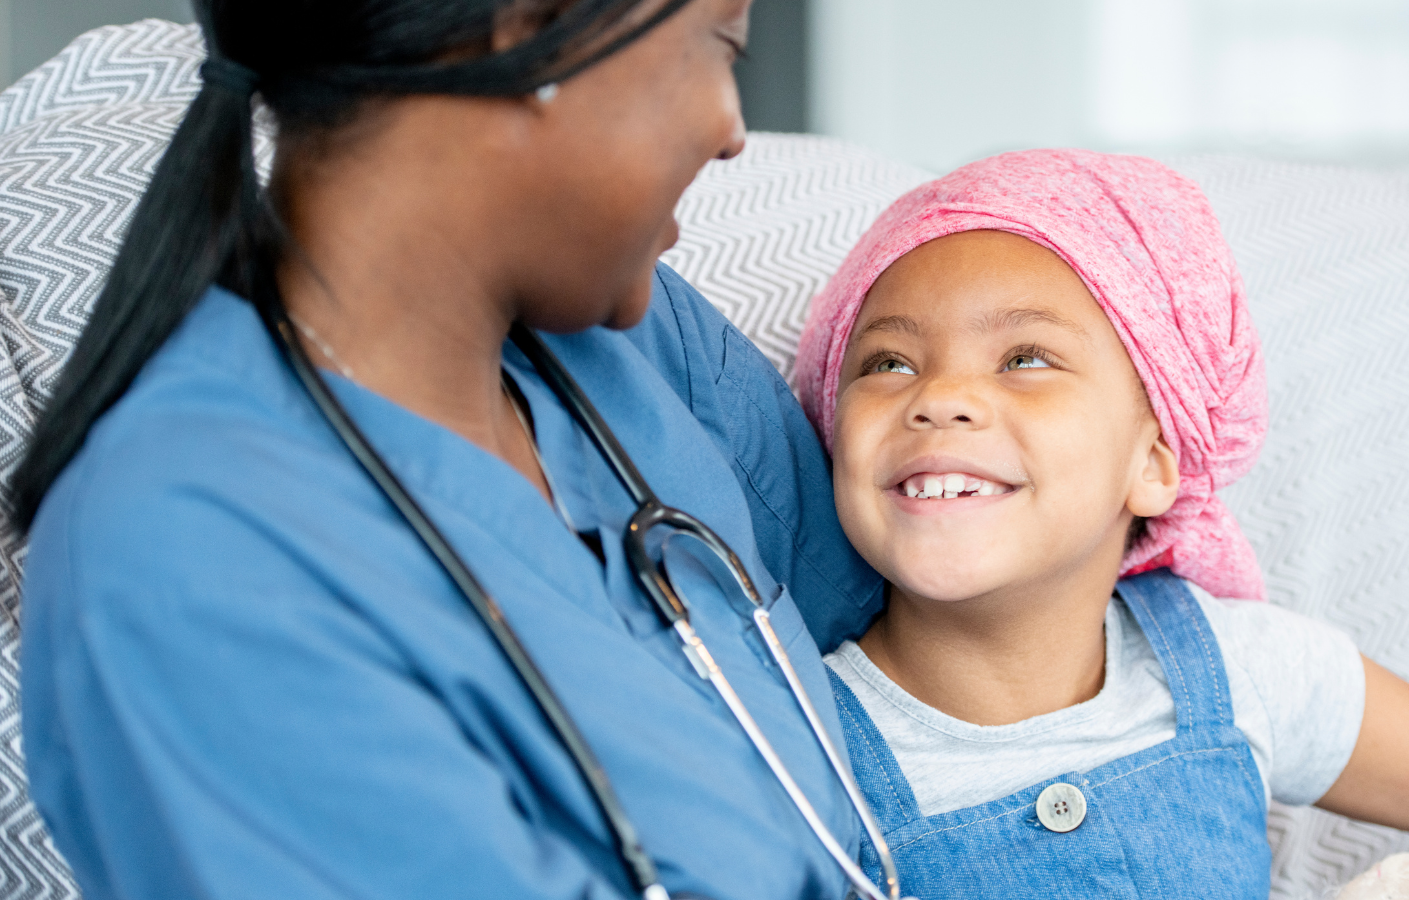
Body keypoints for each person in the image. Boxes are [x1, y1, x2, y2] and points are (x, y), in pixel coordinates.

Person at [14, 1, 892, 898]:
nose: (732, 131)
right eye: (721, 47)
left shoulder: (636, 347)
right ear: (531, 28)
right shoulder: (192, 566)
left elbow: (937, 663)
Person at [793, 148, 1409, 898]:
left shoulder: (1243, 669)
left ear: (1154, 460)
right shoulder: (790, 743)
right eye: (887, 363)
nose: (938, 397)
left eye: (1026, 358)